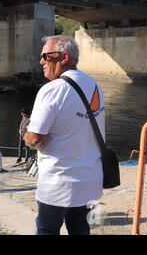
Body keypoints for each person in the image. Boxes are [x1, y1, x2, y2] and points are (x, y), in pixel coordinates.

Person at [24, 35, 104, 235]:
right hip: (89, 180)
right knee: (80, 230)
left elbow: (34, 139)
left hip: (58, 182)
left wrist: (25, 134)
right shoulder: (95, 85)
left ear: (64, 57)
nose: (41, 61)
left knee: (47, 231)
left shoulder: (52, 90)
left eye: (45, 56)